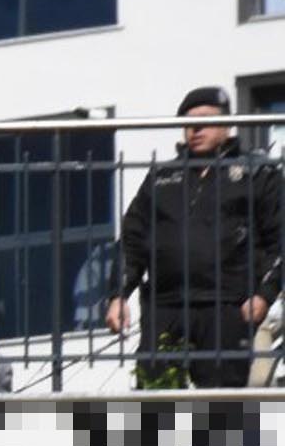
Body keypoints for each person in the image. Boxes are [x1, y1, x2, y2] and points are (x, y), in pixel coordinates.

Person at [106, 86, 285, 390]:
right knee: (154, 396)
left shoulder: (258, 173)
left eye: (205, 120)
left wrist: (264, 294)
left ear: (227, 124)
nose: (195, 128)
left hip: (227, 306)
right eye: (188, 122)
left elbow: (279, 240)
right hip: (165, 306)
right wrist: (119, 294)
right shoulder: (162, 178)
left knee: (220, 406)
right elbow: (133, 239)